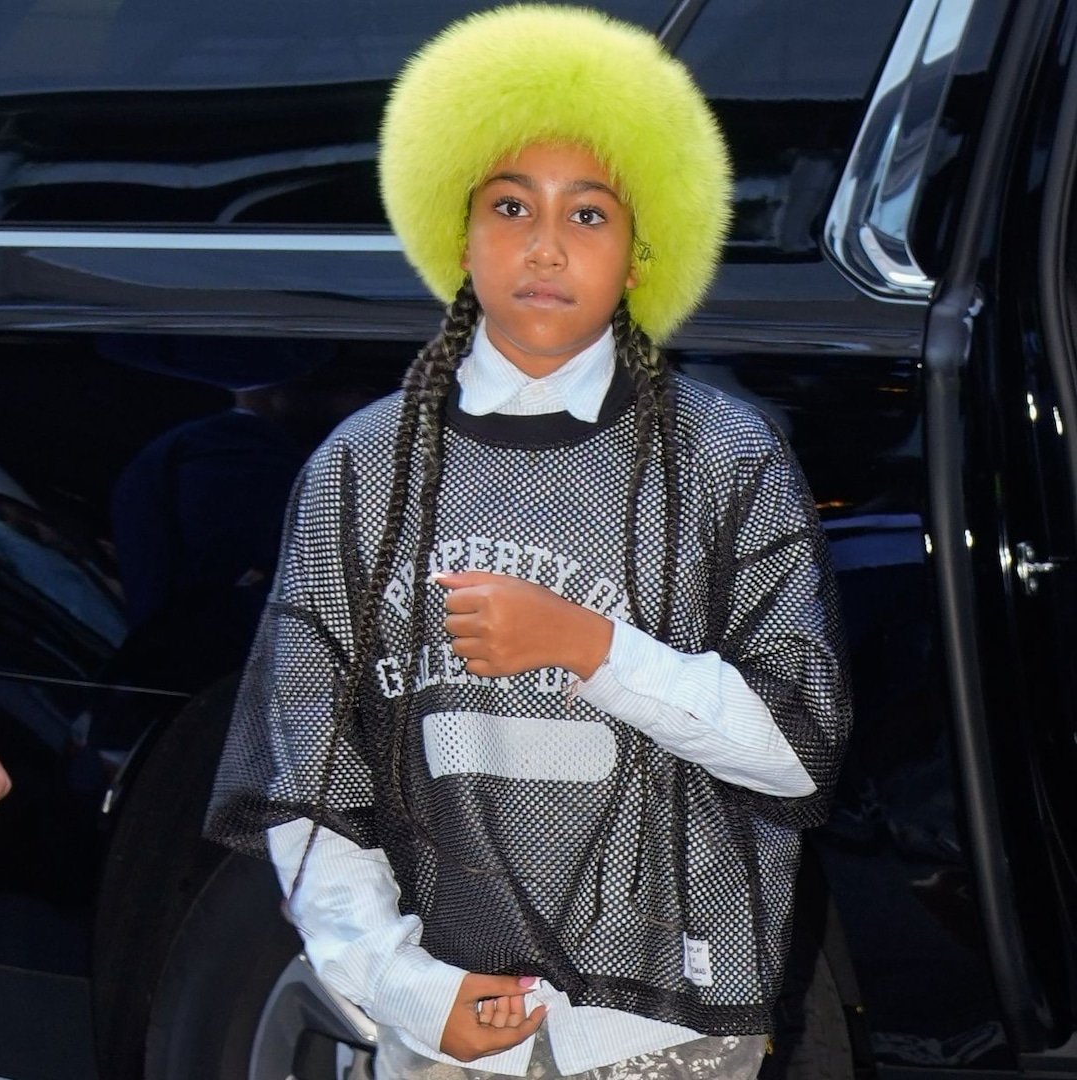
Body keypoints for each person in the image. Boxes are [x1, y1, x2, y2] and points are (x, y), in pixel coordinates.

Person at [206, 7, 851, 1078]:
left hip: (666, 1032)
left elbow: (796, 753)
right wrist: (399, 982)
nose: (546, 245)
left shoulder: (725, 455)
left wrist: (588, 646)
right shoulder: (360, 470)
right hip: (447, 1021)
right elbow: (308, 774)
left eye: (589, 213)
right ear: (457, 236)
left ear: (642, 253)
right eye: (510, 206)